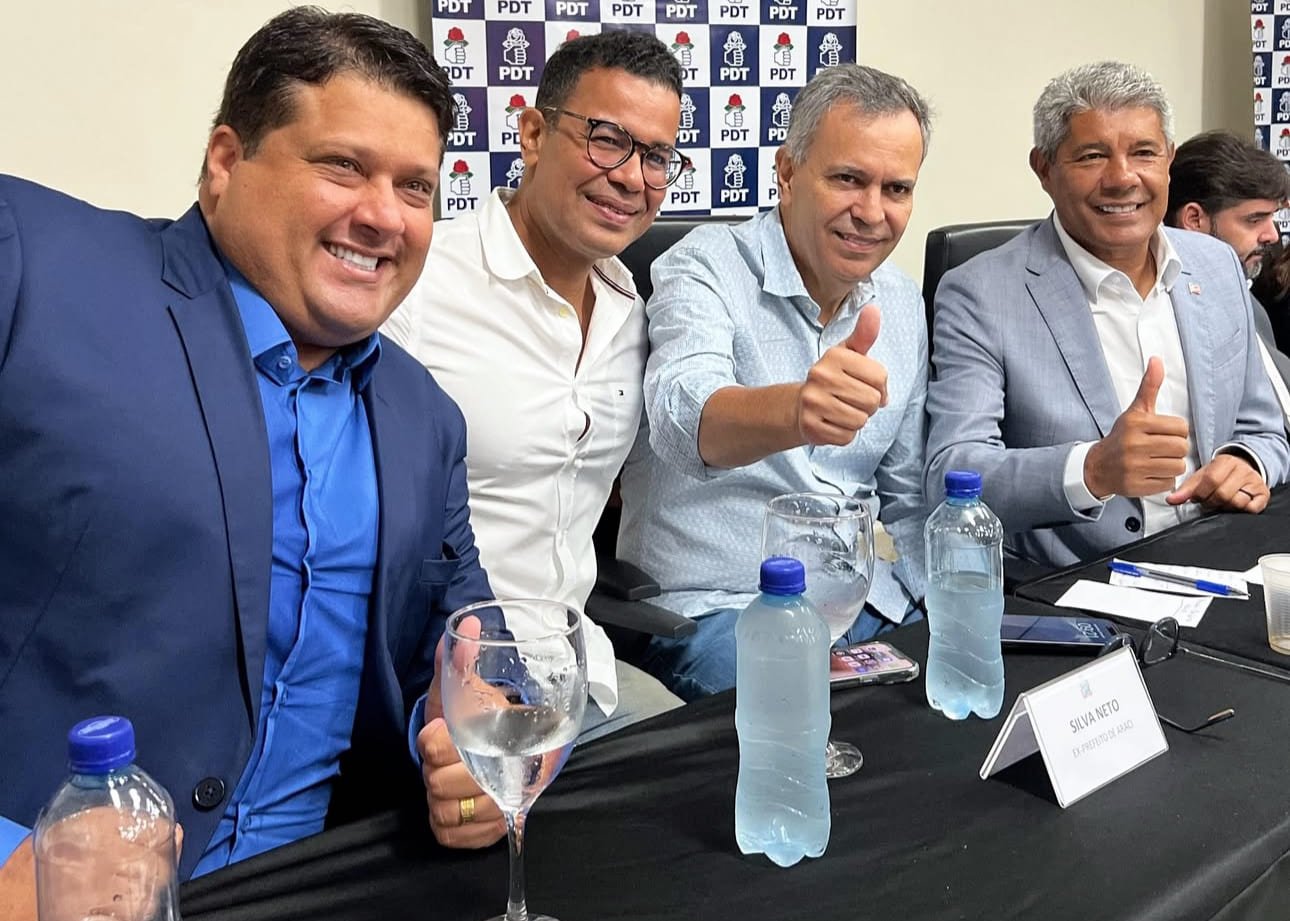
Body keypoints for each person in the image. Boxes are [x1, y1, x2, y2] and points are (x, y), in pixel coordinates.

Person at [0, 6, 496, 902]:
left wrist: (477, 734)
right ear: (226, 162)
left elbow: (468, 645)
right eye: (343, 165)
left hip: (338, 882)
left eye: (416, 187)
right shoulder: (33, 265)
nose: (383, 215)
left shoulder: (429, 419)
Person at [382, 30, 685, 746]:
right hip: (450, 683)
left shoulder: (631, 312)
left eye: (656, 156)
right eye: (607, 140)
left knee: (712, 773)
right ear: (534, 135)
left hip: (580, 674)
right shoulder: (421, 283)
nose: (632, 177)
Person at [616, 64, 932, 702]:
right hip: (722, 613)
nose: (872, 213)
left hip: (858, 605)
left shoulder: (900, 302)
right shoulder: (704, 265)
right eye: (848, 179)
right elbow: (682, 418)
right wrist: (796, 411)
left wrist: (947, 610)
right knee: (800, 722)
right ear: (787, 173)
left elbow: (907, 497)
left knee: (958, 709)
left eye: (896, 189)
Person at [925, 61, 1290, 571]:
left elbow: (1265, 428)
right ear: (1044, 169)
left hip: (1217, 554)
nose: (1122, 178)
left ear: (1169, 160)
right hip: (1077, 581)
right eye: (1092, 156)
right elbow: (952, 472)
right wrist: (1092, 469)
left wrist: (1245, 462)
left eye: (1144, 153)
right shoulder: (980, 293)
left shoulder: (1215, 263)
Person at [1164, 129, 1290, 426]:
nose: (1272, 235)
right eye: (1254, 219)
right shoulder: (1166, 317)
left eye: (1272, 217)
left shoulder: (1249, 299)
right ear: (1194, 219)